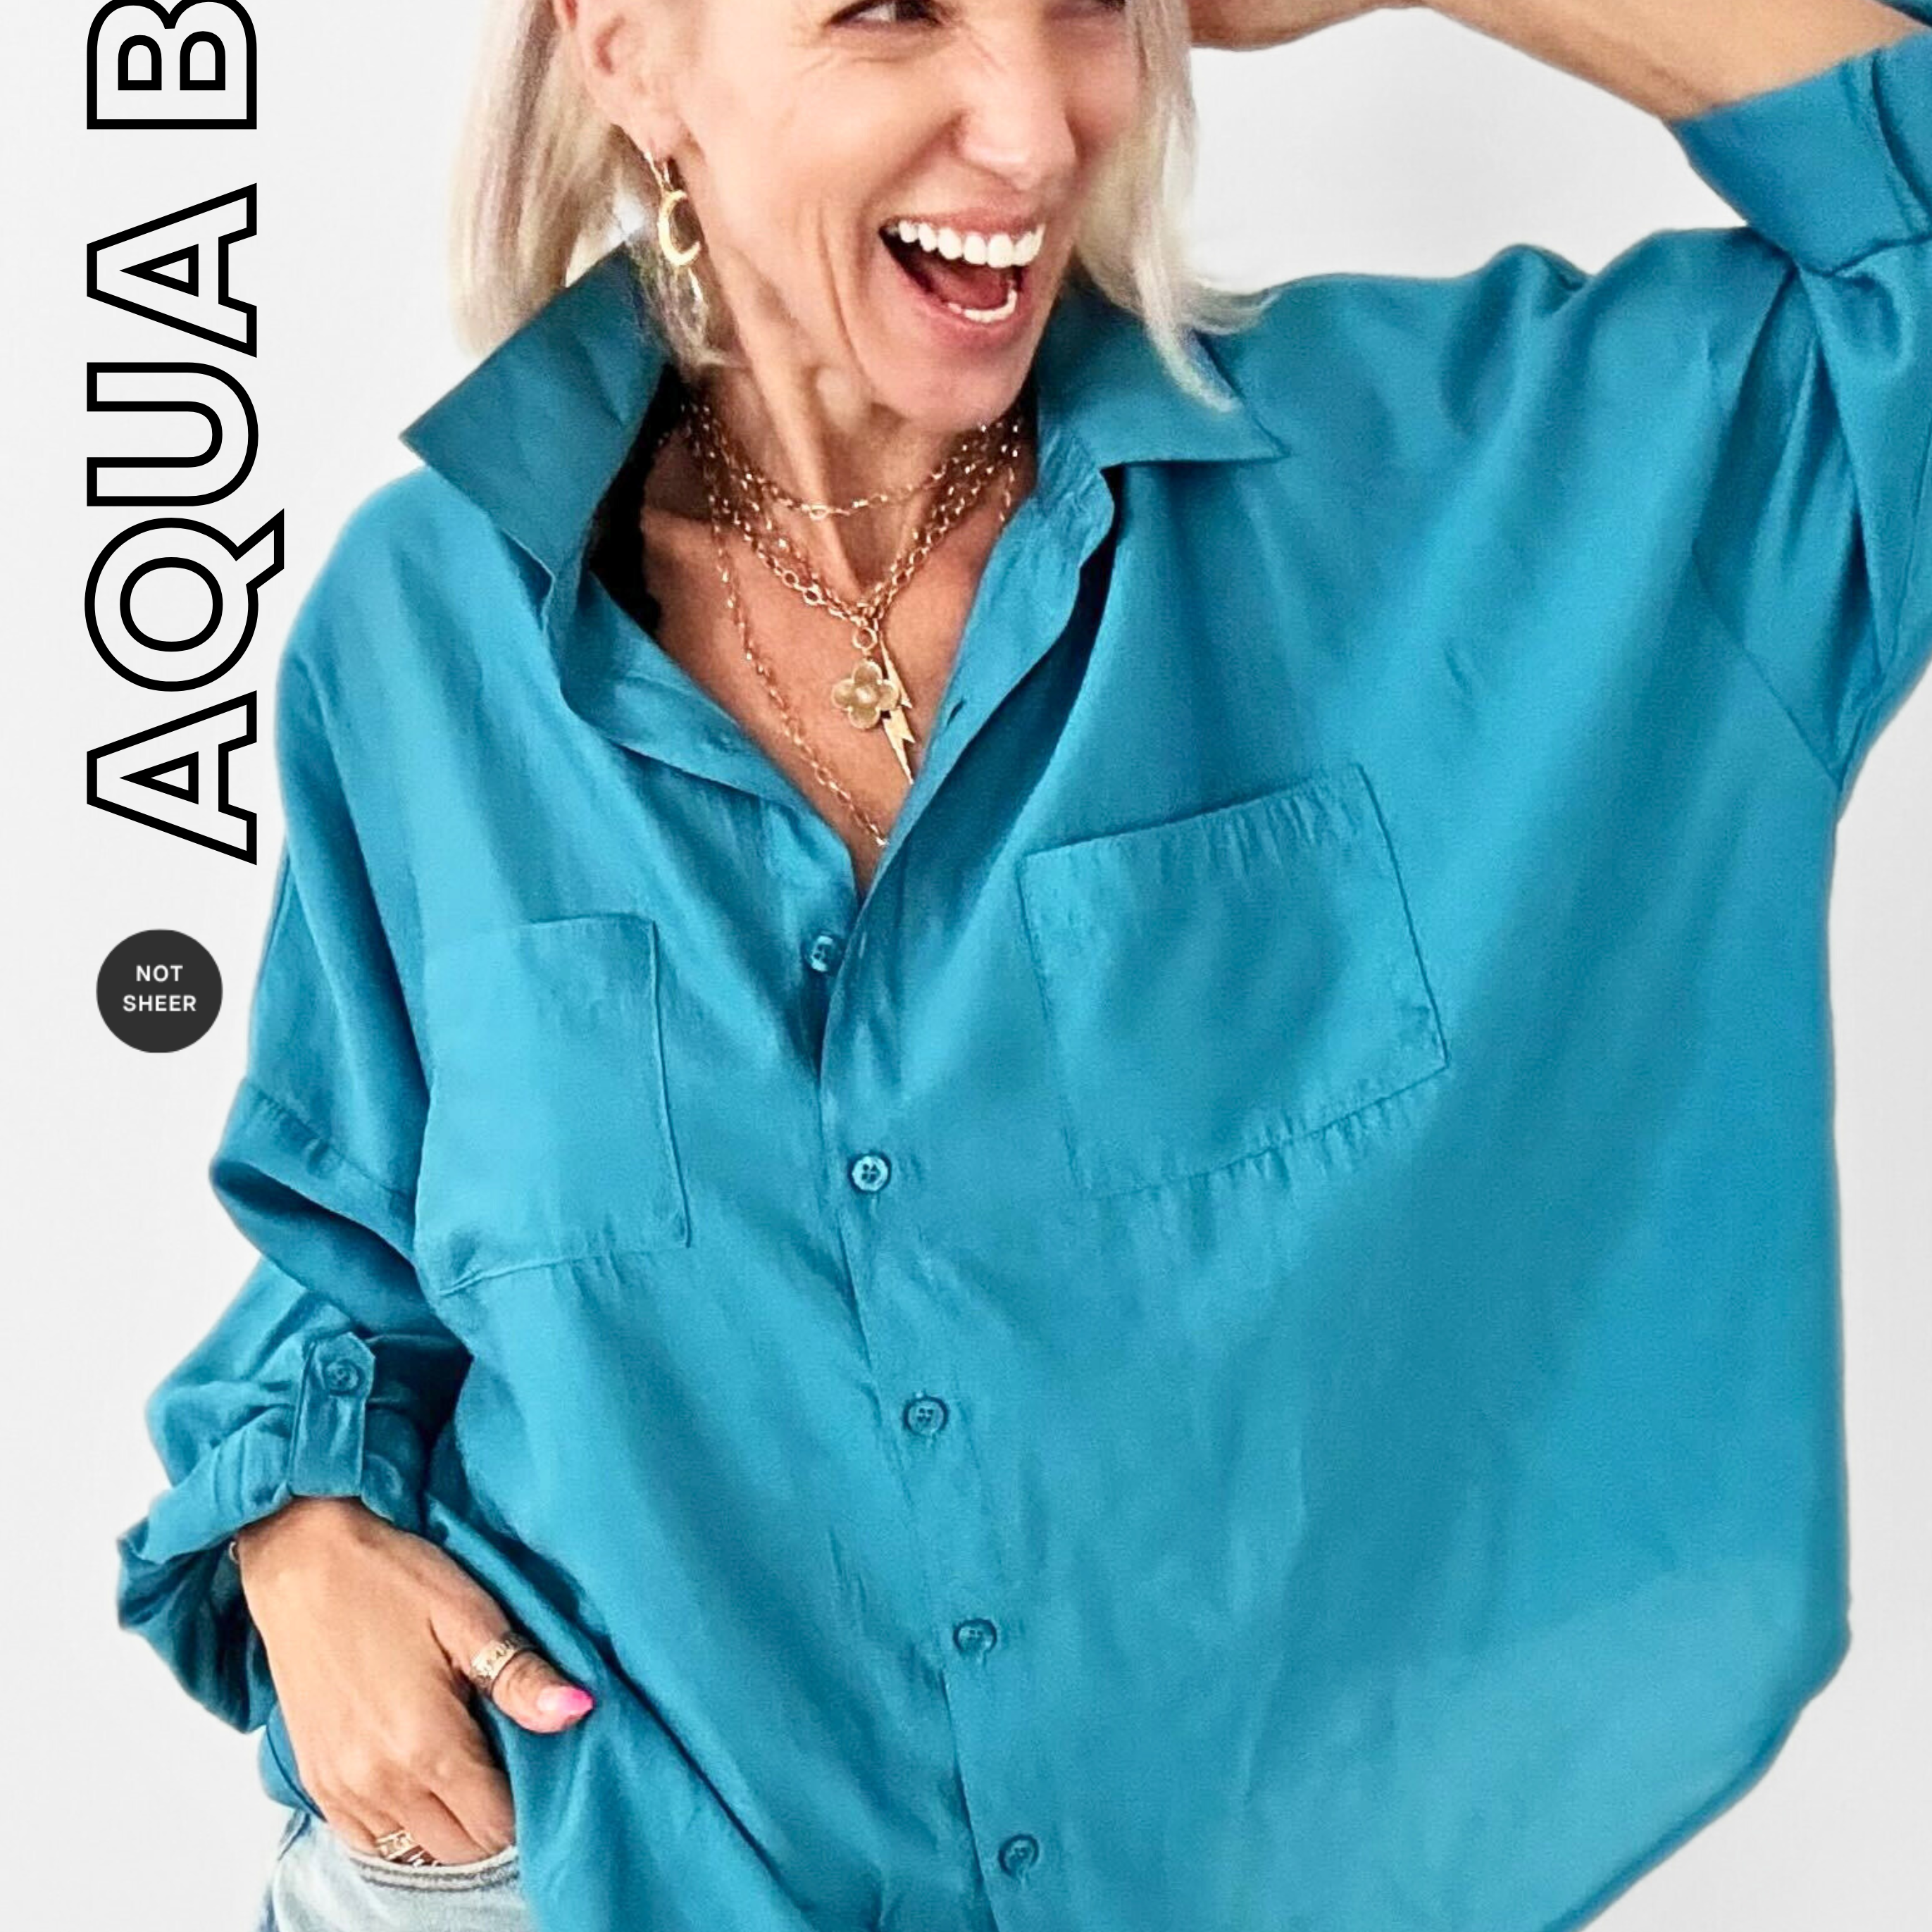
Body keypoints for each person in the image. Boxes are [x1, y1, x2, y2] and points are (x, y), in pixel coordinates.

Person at [116, 1, 1932, 1929]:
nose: (1036, 126)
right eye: (894, 10)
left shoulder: (1454, 488)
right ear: (630, 47)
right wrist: (293, 1524)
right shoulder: (424, 625)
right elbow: (383, 1242)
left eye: (1079, 0)